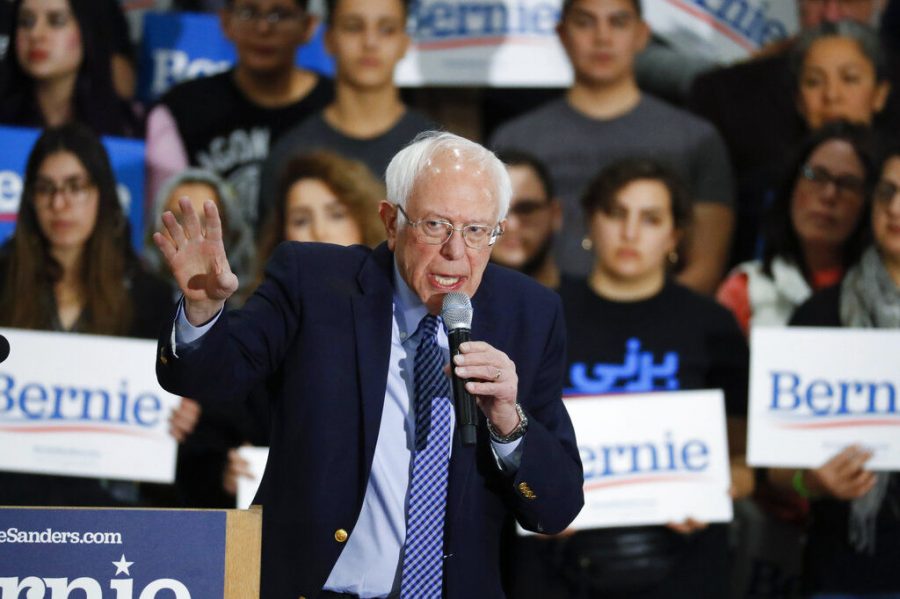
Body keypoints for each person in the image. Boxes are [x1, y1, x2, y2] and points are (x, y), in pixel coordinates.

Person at [152, 131, 584, 598]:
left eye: (477, 231)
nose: (456, 252)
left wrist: (507, 421)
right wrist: (201, 311)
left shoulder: (531, 314)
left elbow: (555, 509)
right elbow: (208, 376)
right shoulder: (314, 283)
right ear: (391, 222)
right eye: (436, 225)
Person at [510, 158, 749, 599]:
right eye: (616, 214)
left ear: (675, 236)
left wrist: (719, 488)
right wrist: (529, 497)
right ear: (590, 222)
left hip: (684, 565)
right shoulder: (541, 316)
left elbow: (747, 458)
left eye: (651, 218)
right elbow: (503, 435)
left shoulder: (712, 324)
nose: (630, 232)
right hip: (556, 567)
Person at [490, 0, 735, 295]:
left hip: (653, 330)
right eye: (585, 22)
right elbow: (491, 255)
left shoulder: (696, 138)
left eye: (618, 22)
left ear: (642, 34)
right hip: (540, 323)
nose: (602, 37)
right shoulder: (514, 139)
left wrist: (639, 317)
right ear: (562, 33)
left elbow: (705, 269)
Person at [0, 122, 173, 506]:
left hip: (110, 511)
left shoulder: (149, 297)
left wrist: (179, 412)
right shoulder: (2, 282)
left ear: (103, 194)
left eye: (75, 187)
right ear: (29, 198)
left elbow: (168, 403)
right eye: (46, 189)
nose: (59, 204)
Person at [779, 147, 900, 596]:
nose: (896, 208)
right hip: (845, 569)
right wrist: (808, 481)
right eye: (887, 192)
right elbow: (776, 461)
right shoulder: (819, 313)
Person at [688, 0, 892, 265]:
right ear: (798, 100)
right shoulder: (763, 191)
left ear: (880, 94)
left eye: (850, 79)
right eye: (814, 81)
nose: (831, 95)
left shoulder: (892, 179)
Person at [144, 0, 334, 230]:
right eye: (248, 12)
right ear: (225, 22)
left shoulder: (335, 104)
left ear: (308, 26)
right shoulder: (184, 107)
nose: (263, 28)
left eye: (280, 14)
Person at [258, 0, 435, 227]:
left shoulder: (437, 153)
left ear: (405, 42)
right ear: (329, 40)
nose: (370, 42)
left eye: (386, 29)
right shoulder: (289, 155)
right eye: (353, 27)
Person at [717, 121, 875, 336]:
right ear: (791, 186)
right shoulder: (747, 289)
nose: (829, 195)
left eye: (847, 184)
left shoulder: (884, 292)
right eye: (817, 176)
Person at [0, 0, 140, 137]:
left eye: (56, 21)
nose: (35, 34)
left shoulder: (128, 127)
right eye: (26, 22)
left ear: (88, 30)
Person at [145, 168, 256, 300]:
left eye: (207, 221)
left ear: (229, 232)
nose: (192, 234)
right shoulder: (131, 301)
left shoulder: (251, 306)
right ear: (156, 227)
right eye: (178, 219)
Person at [490, 149, 563, 289]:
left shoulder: (589, 307)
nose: (512, 225)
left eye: (526, 209)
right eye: (496, 210)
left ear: (555, 214)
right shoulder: (447, 305)